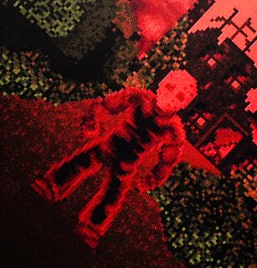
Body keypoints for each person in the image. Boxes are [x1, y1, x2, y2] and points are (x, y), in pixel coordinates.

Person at [33, 70, 197, 248]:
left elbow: (167, 161)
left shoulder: (173, 130)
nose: (171, 97)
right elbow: (107, 106)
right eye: (170, 87)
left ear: (184, 104)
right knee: (80, 162)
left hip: (128, 163)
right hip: (108, 145)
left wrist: (153, 179)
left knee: (112, 195)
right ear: (162, 83)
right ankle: (52, 184)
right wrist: (92, 121)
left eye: (180, 96)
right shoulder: (139, 97)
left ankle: (92, 226)